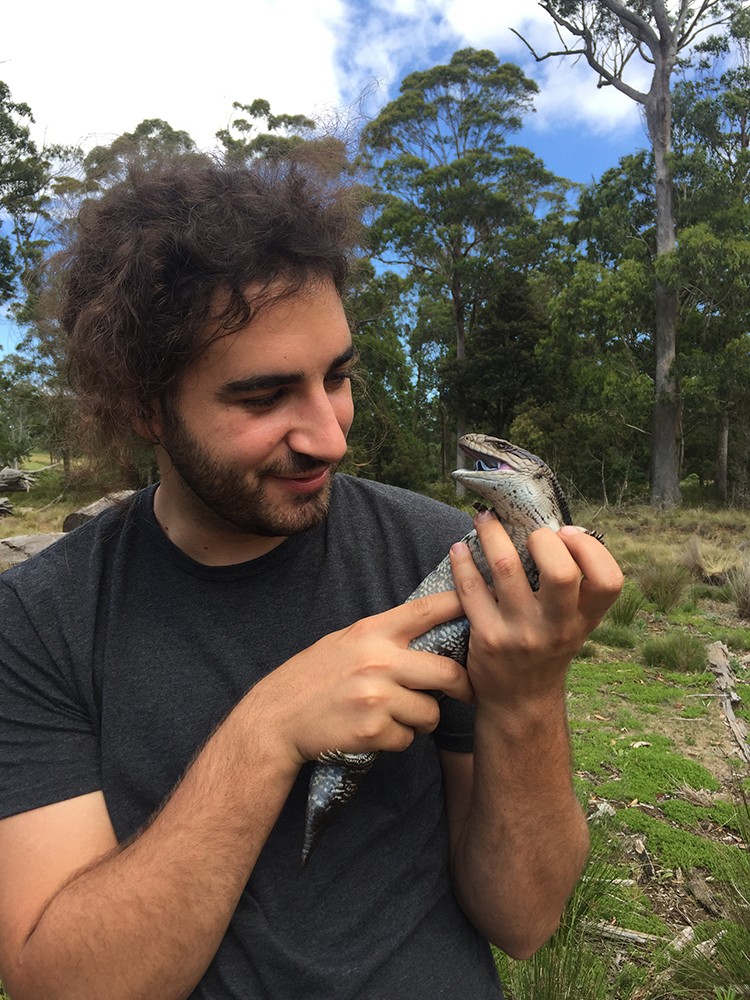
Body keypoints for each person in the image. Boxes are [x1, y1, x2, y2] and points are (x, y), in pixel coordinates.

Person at [0, 162, 623, 1000]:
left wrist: (528, 694)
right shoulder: (39, 623)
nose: (330, 436)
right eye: (265, 396)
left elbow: (524, 919)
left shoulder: (443, 553)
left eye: (337, 376)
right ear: (146, 408)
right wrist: (268, 731)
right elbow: (67, 985)